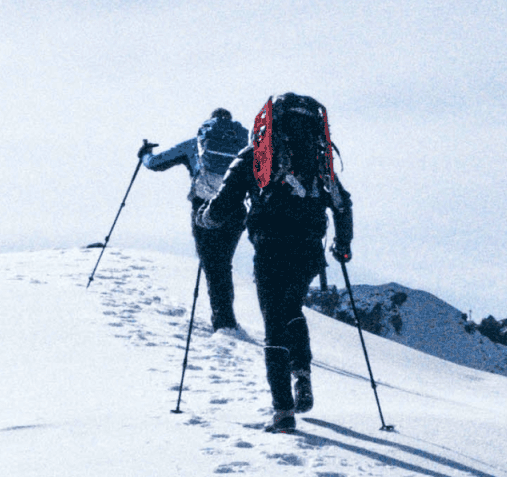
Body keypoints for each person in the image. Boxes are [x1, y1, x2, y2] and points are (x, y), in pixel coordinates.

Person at [211, 94, 354, 431]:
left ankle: (283, 412)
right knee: (292, 310)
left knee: (274, 321)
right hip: (308, 251)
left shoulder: (257, 154)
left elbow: (224, 201)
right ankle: (301, 373)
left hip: (270, 247)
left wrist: (207, 219)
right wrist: (342, 244)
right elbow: (342, 203)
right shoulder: (319, 160)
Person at [141, 108, 252, 331]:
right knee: (223, 263)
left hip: (203, 209)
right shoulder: (244, 146)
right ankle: (226, 318)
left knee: (213, 265)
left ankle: (224, 322)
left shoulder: (196, 144)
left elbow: (156, 163)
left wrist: (144, 153)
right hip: (236, 210)